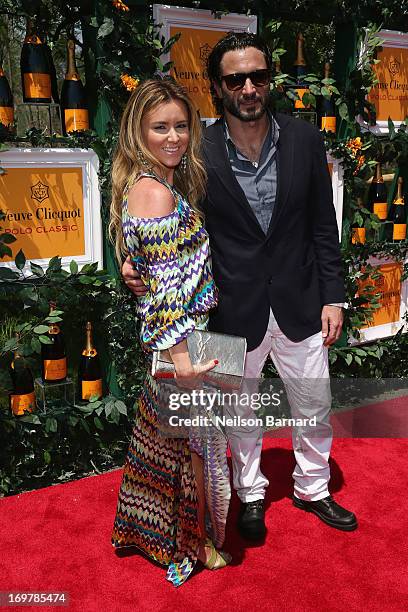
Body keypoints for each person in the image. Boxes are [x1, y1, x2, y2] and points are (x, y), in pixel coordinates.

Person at [122, 32, 358, 538]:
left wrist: (333, 294)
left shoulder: (305, 139)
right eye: (235, 79)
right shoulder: (194, 151)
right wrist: (133, 260)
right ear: (216, 87)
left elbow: (323, 224)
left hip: (301, 300)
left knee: (313, 404)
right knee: (239, 411)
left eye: (258, 76)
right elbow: (164, 218)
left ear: (269, 80)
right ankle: (250, 494)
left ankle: (313, 487)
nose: (248, 87)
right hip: (230, 307)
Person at [109, 77, 232, 588]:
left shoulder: (154, 183)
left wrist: (127, 261)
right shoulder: (154, 190)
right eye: (160, 127)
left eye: (181, 126)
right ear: (138, 129)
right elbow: (162, 291)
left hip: (182, 337)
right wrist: (182, 360)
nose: (173, 137)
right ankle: (194, 542)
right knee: (192, 448)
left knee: (175, 444)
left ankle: (168, 533)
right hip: (180, 344)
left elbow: (148, 265)